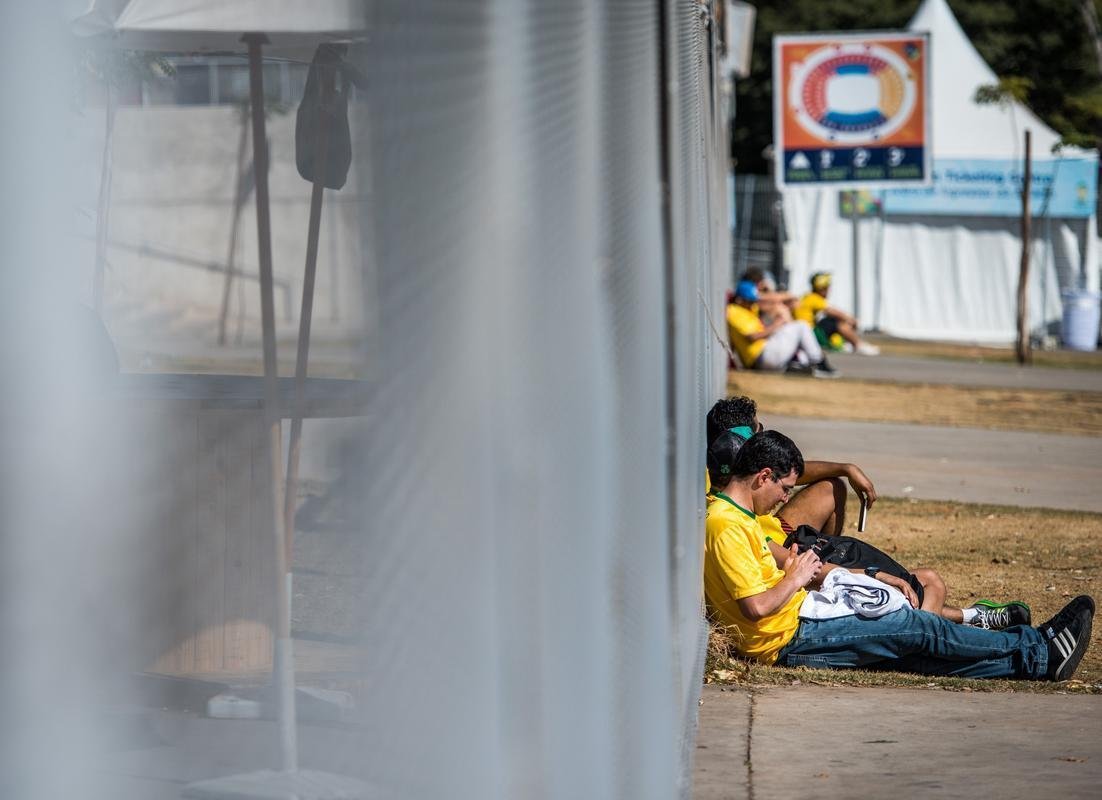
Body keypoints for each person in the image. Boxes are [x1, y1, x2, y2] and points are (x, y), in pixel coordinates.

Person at [703, 430, 1094, 680]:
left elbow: (791, 561)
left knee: (918, 655)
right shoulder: (725, 526)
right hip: (789, 639)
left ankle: (1035, 663)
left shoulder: (744, 517)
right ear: (763, 476)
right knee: (916, 627)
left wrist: (871, 575)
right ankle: (1037, 649)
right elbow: (755, 607)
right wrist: (795, 579)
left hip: (803, 616)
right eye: (785, 488)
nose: (787, 498)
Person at [705, 396, 1030, 629]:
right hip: (796, 561)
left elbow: (787, 474)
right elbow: (786, 571)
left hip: (795, 542)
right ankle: (949, 626)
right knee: (928, 582)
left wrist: (847, 468)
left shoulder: (731, 482)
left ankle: (956, 621)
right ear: (751, 461)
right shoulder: (732, 520)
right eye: (758, 433)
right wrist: (862, 576)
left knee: (832, 487)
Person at [726, 280, 838, 377]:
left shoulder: (746, 308)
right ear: (739, 300)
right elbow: (752, 337)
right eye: (750, 301)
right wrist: (776, 325)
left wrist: (785, 305)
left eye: (753, 301)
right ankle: (818, 362)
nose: (753, 304)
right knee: (801, 326)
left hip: (764, 355)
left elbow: (773, 301)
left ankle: (800, 364)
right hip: (761, 357)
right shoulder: (734, 311)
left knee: (794, 332)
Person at [794, 271, 880, 356]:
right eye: (827, 287)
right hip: (811, 333)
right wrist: (851, 319)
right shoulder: (814, 298)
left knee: (830, 322)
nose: (829, 290)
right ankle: (858, 345)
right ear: (821, 288)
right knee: (838, 322)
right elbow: (832, 311)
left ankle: (842, 343)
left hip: (804, 331)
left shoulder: (806, 296)